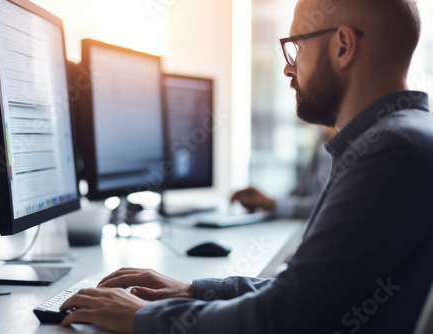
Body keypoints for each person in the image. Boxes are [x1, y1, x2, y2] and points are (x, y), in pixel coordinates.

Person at [59, 0, 433, 333]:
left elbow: (283, 318)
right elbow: (307, 293)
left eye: (296, 47)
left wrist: (142, 318)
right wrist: (193, 289)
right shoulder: (398, 137)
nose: (289, 69)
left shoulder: (390, 149)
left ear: (342, 46)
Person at [232, 126, 337, 220]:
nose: (319, 127)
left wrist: (272, 204)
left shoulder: (338, 154)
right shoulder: (321, 149)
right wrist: (265, 202)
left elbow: (324, 206)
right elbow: (300, 194)